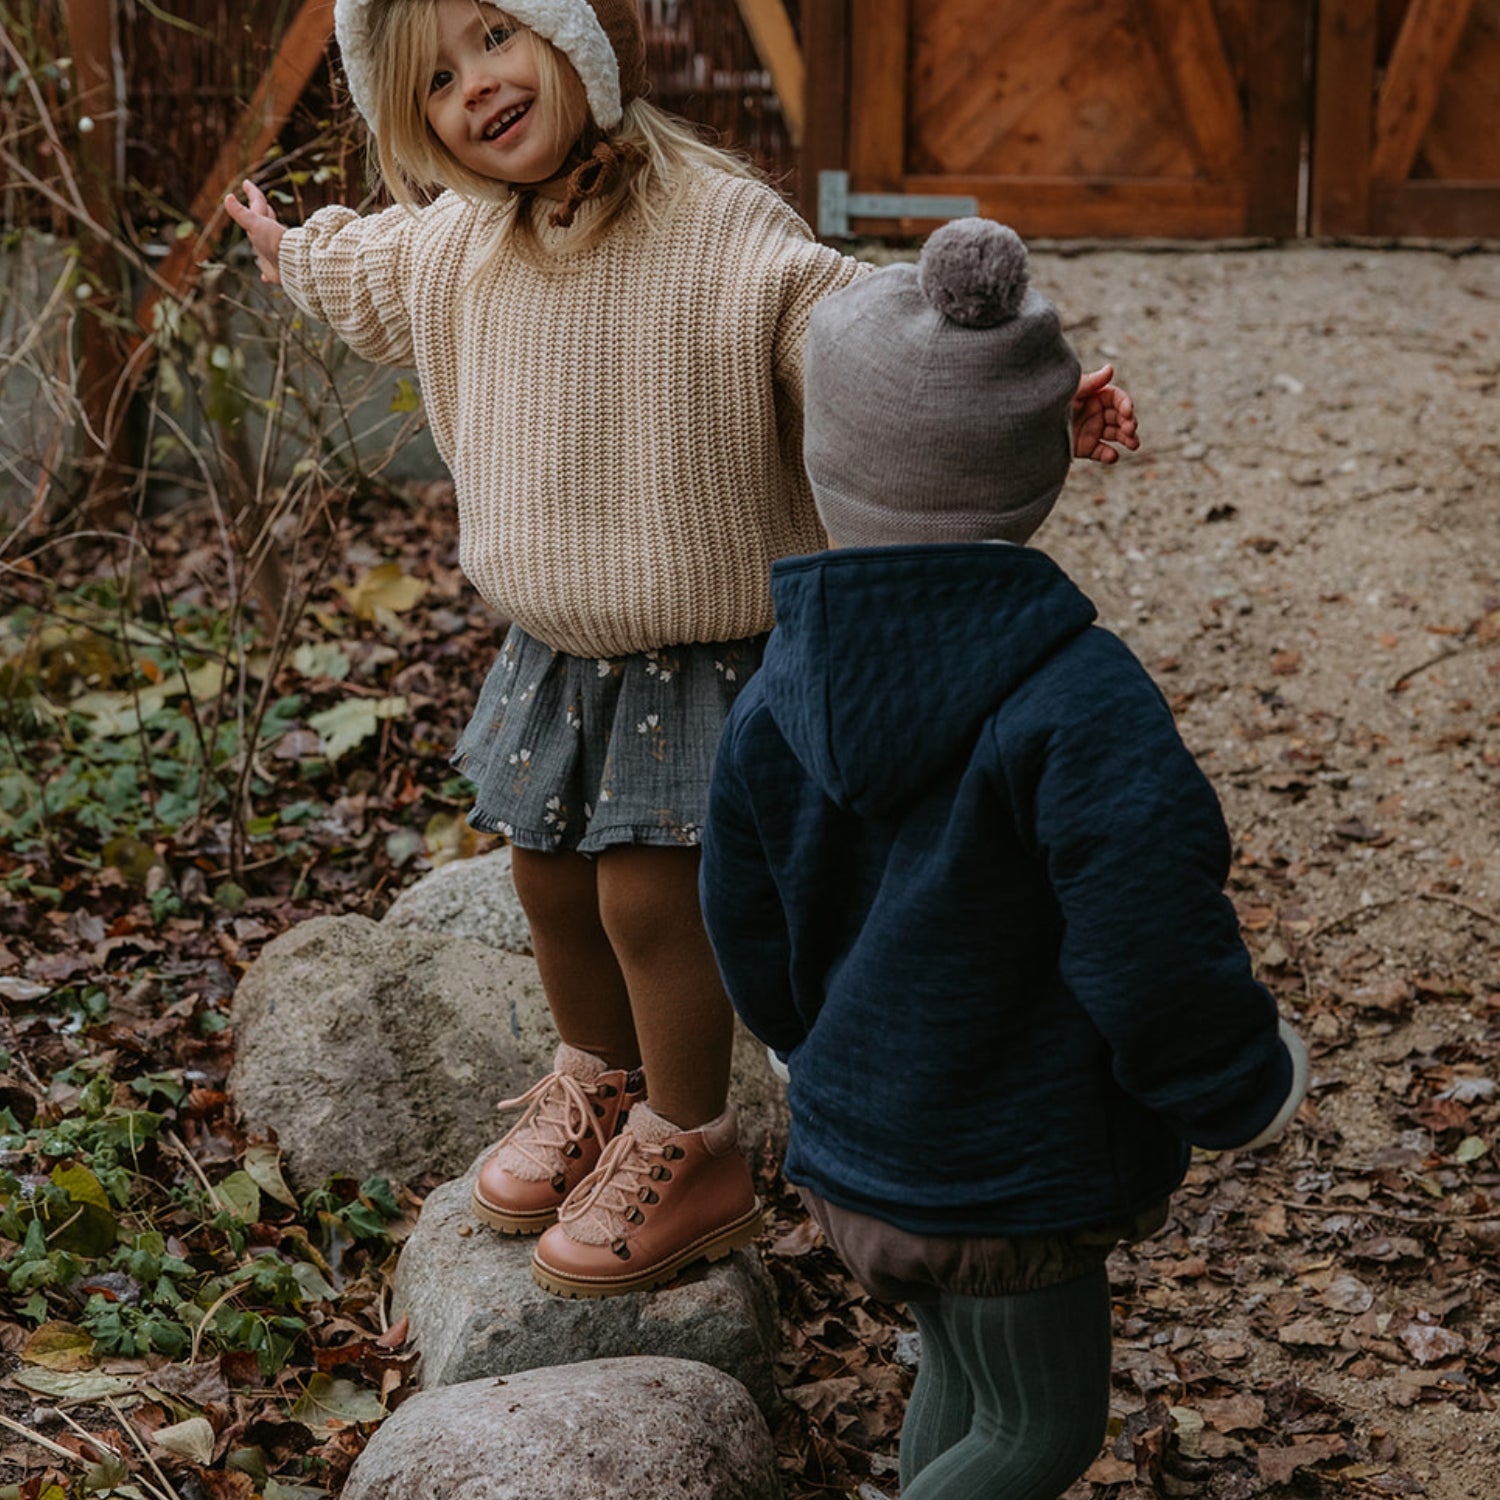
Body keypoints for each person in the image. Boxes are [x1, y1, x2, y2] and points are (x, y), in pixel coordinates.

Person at [222, 0, 1138, 1300]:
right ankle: (599, 1086)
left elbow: (857, 330)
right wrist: (288, 250)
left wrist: (1024, 390)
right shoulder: (459, 246)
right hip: (559, 640)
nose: (474, 87)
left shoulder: (714, 222)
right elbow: (365, 266)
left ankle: (693, 1141)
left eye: (494, 37)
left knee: (653, 898)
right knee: (547, 879)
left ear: (575, 40)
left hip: (704, 641)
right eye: (433, 81)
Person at [699, 217, 1309, 1497]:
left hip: (860, 1152)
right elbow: (1150, 925)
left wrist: (810, 1047)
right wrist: (1238, 1079)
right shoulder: (1078, 697)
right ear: (1039, 473)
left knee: (962, 1388)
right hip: (1008, 1175)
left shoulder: (778, 683)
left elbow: (741, 911)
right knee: (1037, 1434)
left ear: (826, 464)